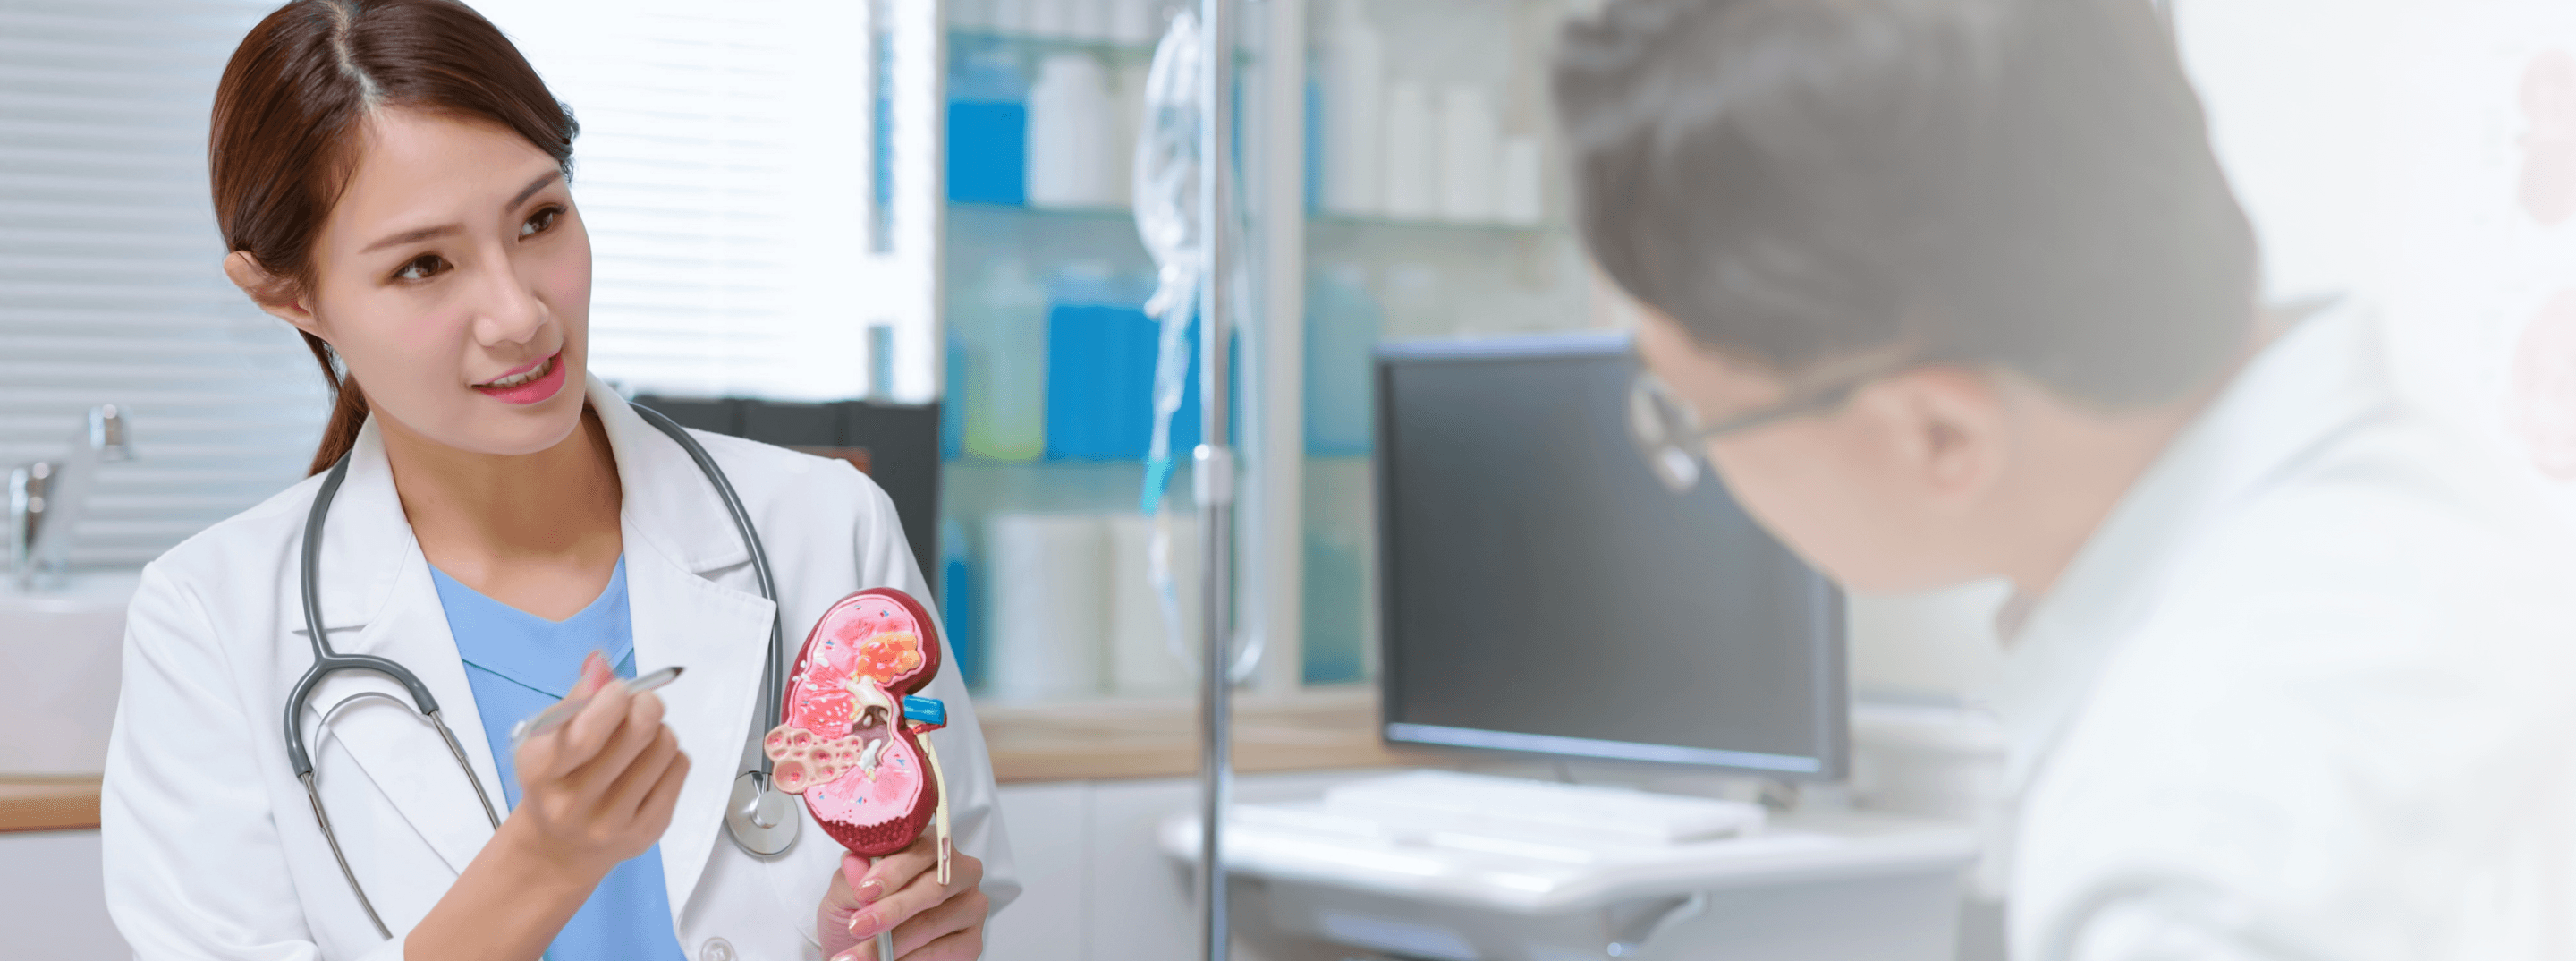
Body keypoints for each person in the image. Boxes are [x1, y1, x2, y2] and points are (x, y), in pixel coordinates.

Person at [1555, 0, 2576, 957]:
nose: (1693, 457)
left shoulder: (2207, 847)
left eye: (1688, 417)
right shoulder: (2398, 491)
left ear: (1940, 437)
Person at [97, 2, 1014, 959]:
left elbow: (943, 883)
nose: (520, 312)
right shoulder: (207, 622)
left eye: (539, 218)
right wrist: (544, 862)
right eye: (423, 265)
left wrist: (877, 941)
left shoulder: (826, 533)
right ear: (290, 295)